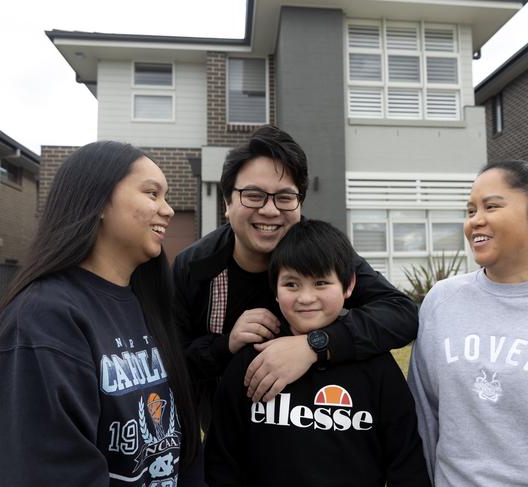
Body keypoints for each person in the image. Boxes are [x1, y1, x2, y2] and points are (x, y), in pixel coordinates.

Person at [0, 141, 199, 487]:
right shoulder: (41, 322)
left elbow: (183, 447)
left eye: (166, 196)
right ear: (97, 201)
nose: (169, 210)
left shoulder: (147, 302)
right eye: (152, 194)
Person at [172, 125, 418, 431]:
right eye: (253, 195)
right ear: (227, 203)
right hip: (230, 435)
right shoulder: (195, 267)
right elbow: (173, 359)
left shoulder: (320, 254)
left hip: (321, 424)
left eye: (285, 197)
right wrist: (226, 344)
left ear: (300, 204)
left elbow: (400, 313)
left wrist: (314, 345)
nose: (270, 210)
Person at [408, 160, 528, 486]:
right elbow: (424, 419)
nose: (475, 221)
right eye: (470, 211)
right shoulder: (442, 301)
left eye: (491, 206)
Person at [204, 220, 430, 487]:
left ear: (349, 286)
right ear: (274, 289)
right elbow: (221, 462)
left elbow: (407, 465)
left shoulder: (377, 366)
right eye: (291, 284)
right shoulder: (252, 359)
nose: (306, 297)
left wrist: (313, 346)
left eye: (321, 282)